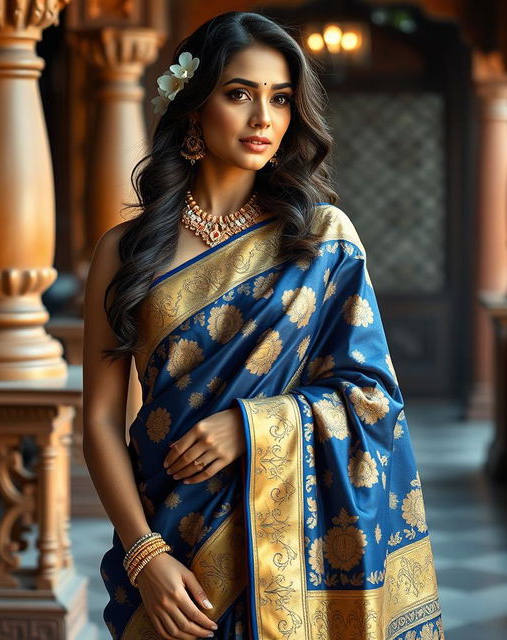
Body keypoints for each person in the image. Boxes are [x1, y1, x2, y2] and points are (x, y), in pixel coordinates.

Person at [82, 10, 443, 640]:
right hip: (169, 532)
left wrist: (251, 427)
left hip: (291, 545)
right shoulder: (126, 251)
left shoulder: (321, 238)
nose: (263, 119)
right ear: (192, 105)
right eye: (239, 94)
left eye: (280, 99)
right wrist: (146, 558)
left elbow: (373, 400)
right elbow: (100, 421)